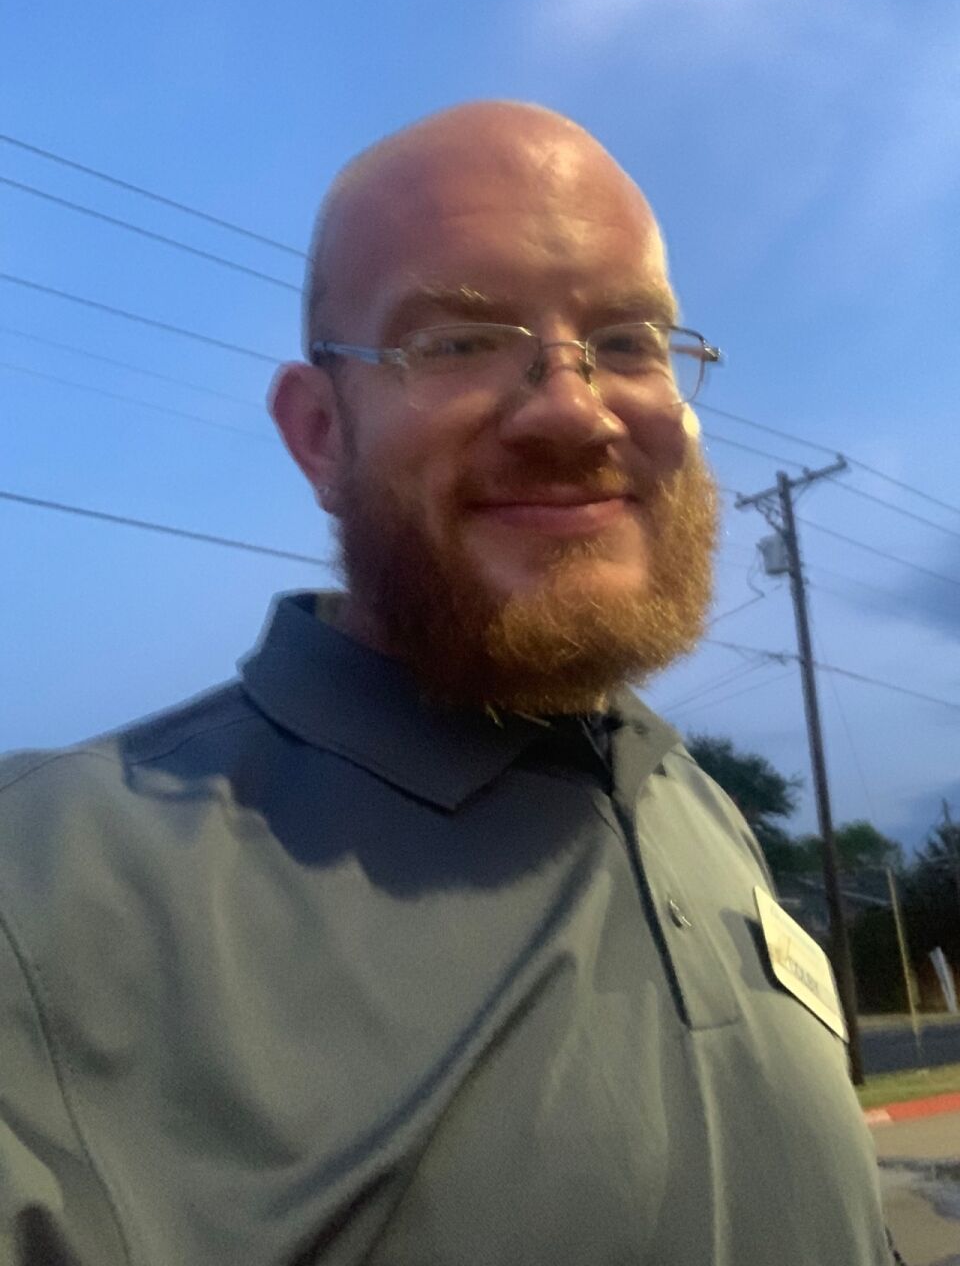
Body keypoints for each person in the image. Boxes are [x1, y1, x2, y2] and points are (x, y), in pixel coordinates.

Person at [0, 102, 895, 1265]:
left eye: (630, 341)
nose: (574, 406)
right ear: (320, 435)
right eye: (460, 342)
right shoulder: (46, 892)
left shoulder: (697, 809)